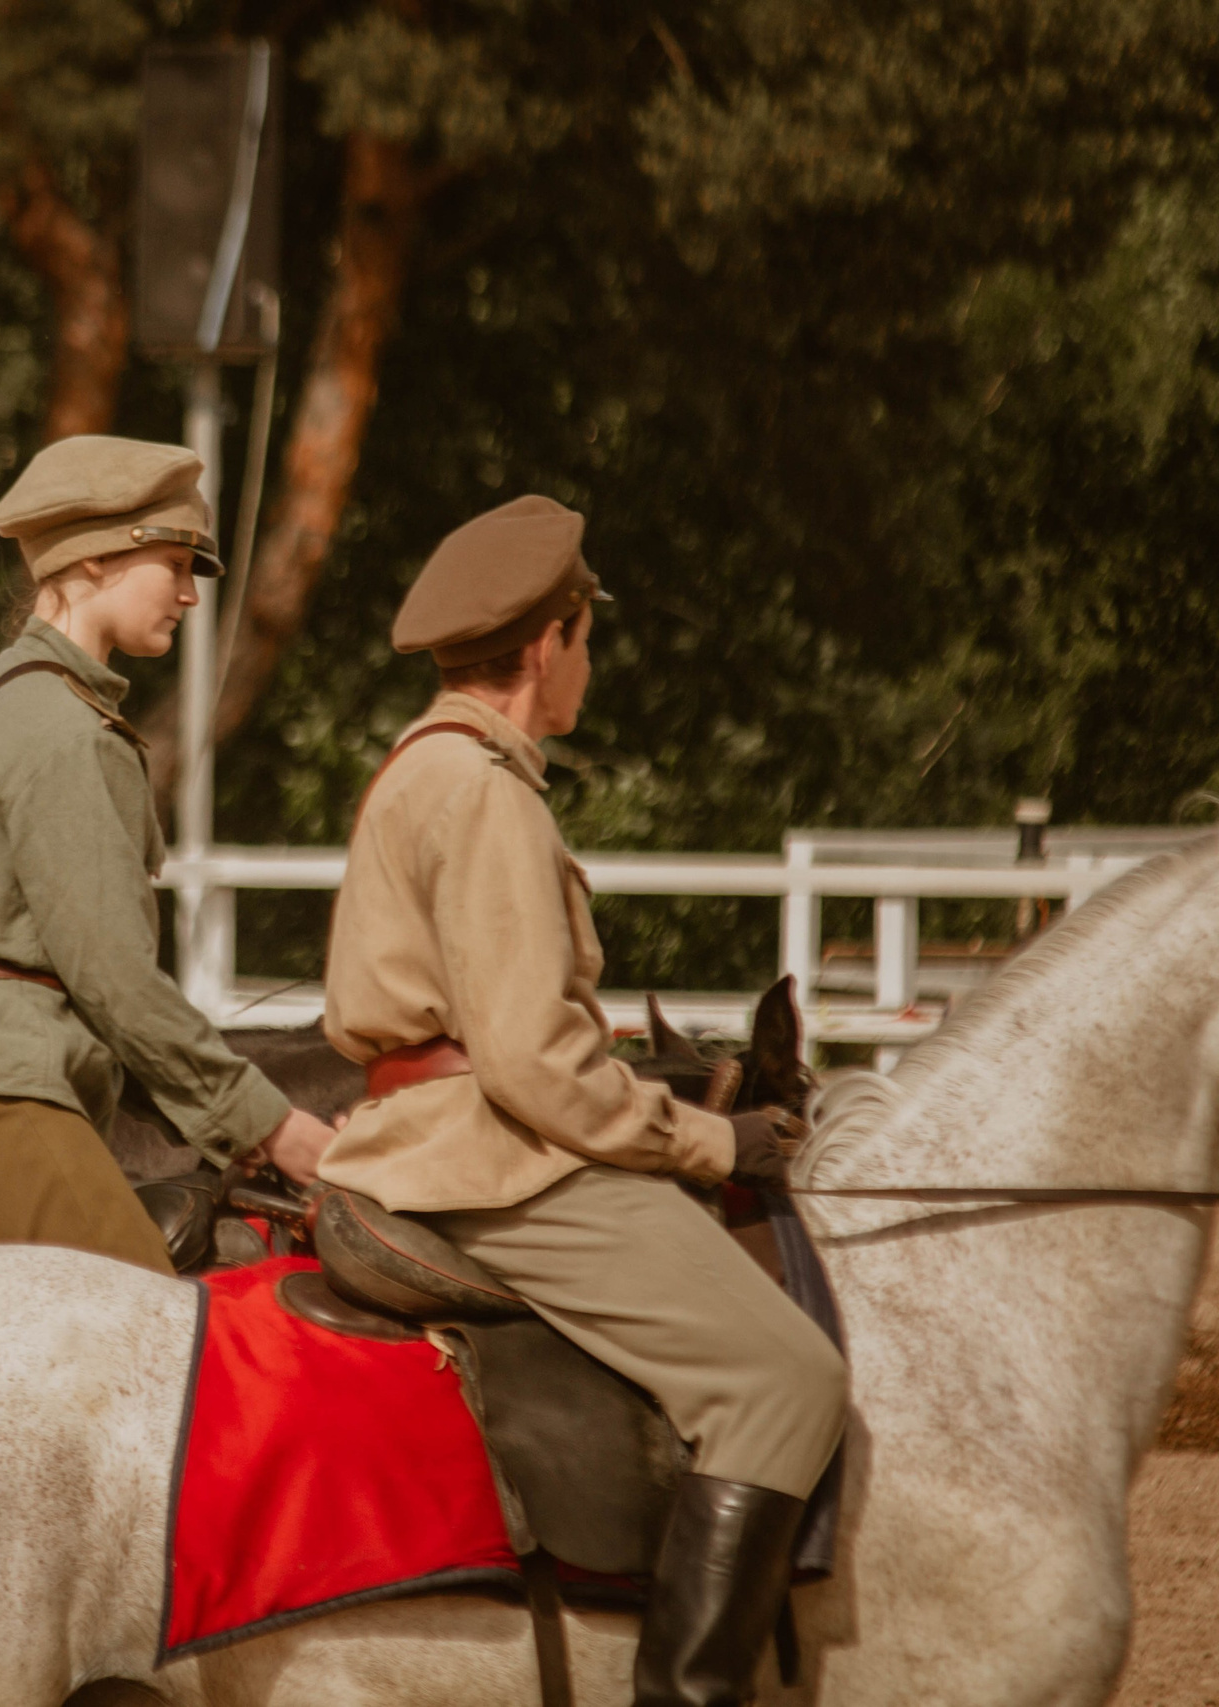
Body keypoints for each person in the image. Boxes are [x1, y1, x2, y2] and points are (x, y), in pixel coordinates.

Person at [318, 496, 846, 1707]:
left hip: (422, 1133)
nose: (586, 666)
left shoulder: (422, 767)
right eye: (586, 641)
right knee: (787, 1378)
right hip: (491, 1157)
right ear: (550, 643)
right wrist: (714, 1139)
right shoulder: (489, 793)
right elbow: (533, 1066)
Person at [0, 435, 337, 1271]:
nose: (191, 594)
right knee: (154, 1344)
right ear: (89, 565)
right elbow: (113, 976)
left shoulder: (11, 690)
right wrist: (269, 1122)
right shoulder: (67, 729)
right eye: (176, 563)